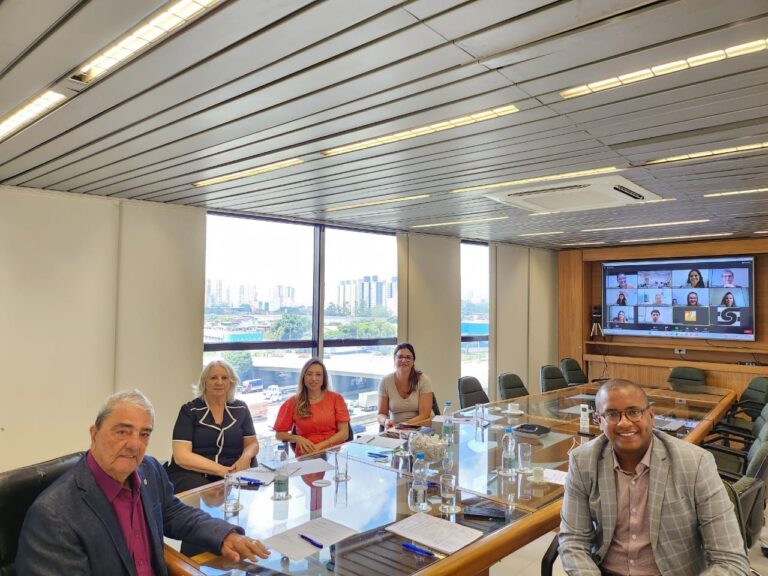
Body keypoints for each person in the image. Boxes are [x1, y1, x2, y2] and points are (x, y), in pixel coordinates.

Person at [16, 390, 269, 576]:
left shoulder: (149, 469)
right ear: (94, 434)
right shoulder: (53, 516)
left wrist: (223, 535)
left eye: (144, 434)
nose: (135, 444)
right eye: (122, 431)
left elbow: (173, 513)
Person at [559, 379, 749, 575]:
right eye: (612, 414)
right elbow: (573, 541)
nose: (624, 423)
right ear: (599, 420)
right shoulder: (583, 461)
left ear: (651, 415)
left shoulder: (695, 463)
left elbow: (730, 561)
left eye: (634, 412)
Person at [166, 360, 259, 492]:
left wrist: (246, 457)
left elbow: (252, 443)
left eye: (224, 378)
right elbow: (181, 456)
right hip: (193, 474)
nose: (219, 382)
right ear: (204, 382)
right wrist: (223, 471)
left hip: (233, 470)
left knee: (253, 489)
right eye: (214, 378)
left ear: (231, 382)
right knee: (206, 492)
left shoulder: (241, 408)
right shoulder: (190, 410)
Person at [274, 358, 350, 456]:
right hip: (307, 454)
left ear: (323, 378)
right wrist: (297, 438)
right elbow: (279, 435)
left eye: (318, 374)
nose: (313, 378)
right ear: (303, 377)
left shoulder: (336, 398)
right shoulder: (292, 402)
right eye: (309, 374)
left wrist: (320, 446)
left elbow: (344, 433)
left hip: (333, 452)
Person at [377, 342, 433, 429]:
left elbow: (424, 415)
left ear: (413, 361)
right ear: (394, 359)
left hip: (421, 428)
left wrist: (402, 425)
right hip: (396, 430)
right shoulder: (385, 381)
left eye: (408, 357)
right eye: (400, 357)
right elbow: (381, 414)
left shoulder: (423, 380)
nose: (404, 360)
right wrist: (385, 421)